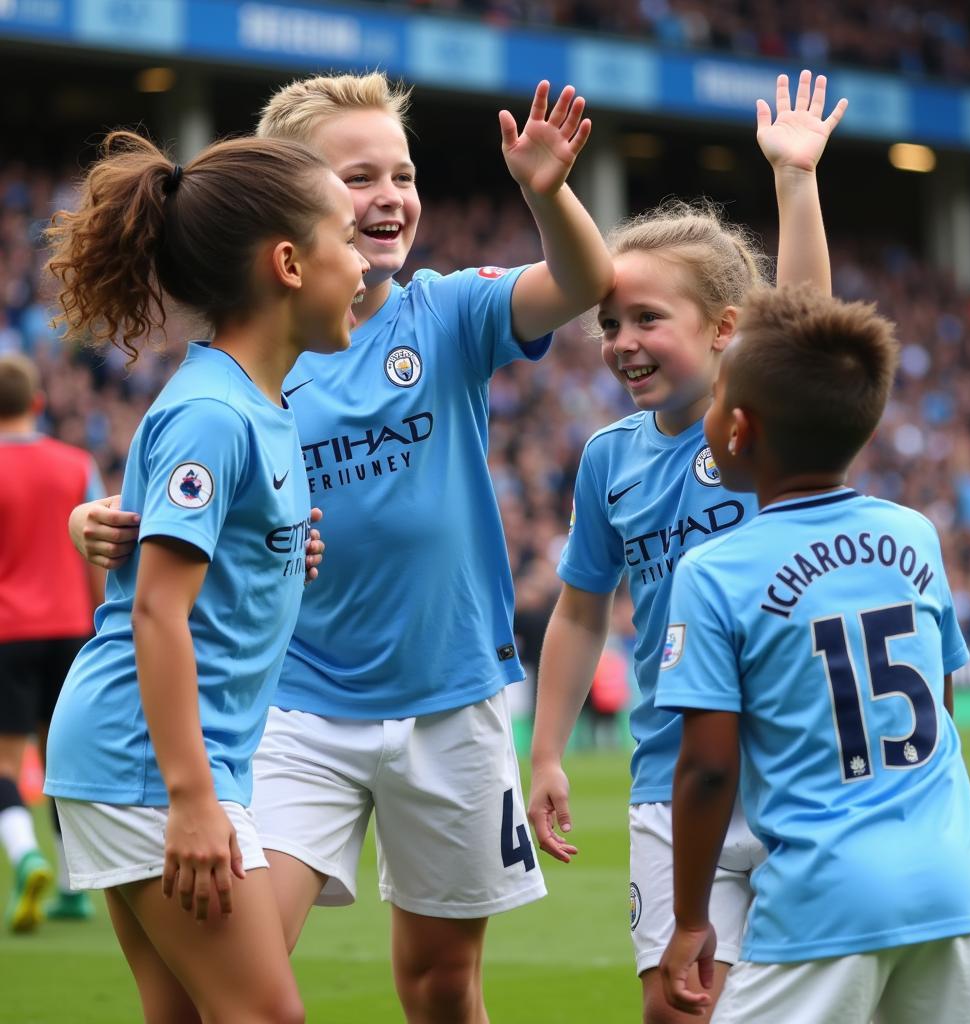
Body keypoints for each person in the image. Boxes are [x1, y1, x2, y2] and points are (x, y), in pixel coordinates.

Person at [70, 73, 613, 1023]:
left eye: (401, 174)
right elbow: (184, 507)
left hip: (451, 694)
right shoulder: (254, 369)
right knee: (237, 971)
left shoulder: (441, 312)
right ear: (293, 221)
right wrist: (103, 518)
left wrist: (546, 191)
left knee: (445, 982)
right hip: (292, 708)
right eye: (357, 178)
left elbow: (580, 284)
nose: (389, 197)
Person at [527, 71, 846, 1022]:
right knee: (677, 1007)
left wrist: (795, 181)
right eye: (609, 323)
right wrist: (544, 749)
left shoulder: (759, 425)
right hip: (671, 776)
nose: (622, 341)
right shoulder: (607, 461)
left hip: (793, 763)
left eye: (647, 320)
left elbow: (812, 329)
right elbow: (583, 608)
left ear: (725, 328)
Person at [43, 129, 366, 1024]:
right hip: (148, 765)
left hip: (154, 760)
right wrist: (191, 800)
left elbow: (190, 549)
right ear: (291, 263)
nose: (367, 265)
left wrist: (276, 550)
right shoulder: (215, 415)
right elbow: (157, 613)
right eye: (347, 238)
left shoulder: (256, 407)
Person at [655, 283, 970, 1023]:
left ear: (739, 430)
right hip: (953, 888)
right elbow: (939, 707)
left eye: (716, 399)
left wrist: (688, 919)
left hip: (823, 900)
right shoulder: (915, 535)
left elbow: (710, 767)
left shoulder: (714, 571)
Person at [0, 352, 106, 932]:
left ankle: (25, 855)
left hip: (7, 632)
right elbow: (100, 550)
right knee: (61, 759)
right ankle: (72, 887)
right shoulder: (76, 464)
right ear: (38, 403)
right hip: (71, 629)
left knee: (6, 763)